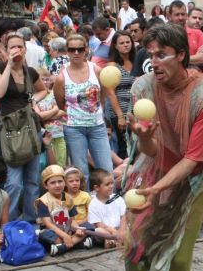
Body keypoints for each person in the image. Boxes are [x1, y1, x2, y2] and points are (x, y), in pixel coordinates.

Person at [103, 24, 203, 271]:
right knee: (134, 243)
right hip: (152, 170)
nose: (153, 62)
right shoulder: (143, 87)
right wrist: (144, 138)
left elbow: (194, 158)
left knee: (181, 255)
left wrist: (160, 189)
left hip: (195, 179)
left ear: (181, 55)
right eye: (150, 55)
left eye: (162, 55)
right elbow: (151, 148)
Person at [0, 32, 43, 222]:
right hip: (12, 131)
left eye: (19, 46)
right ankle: (9, 221)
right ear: (5, 50)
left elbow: (43, 90)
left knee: (32, 180)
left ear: (25, 48)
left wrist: (33, 101)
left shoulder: (31, 72)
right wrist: (10, 66)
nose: (16, 50)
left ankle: (30, 219)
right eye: (12, 46)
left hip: (31, 128)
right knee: (14, 183)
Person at [53, 34, 114, 185]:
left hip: (98, 126)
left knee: (106, 169)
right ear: (67, 51)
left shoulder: (97, 70)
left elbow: (102, 96)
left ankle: (108, 203)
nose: (76, 53)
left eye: (80, 49)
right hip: (74, 128)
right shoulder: (62, 77)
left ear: (86, 50)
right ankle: (84, 206)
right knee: (81, 173)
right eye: (72, 49)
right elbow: (61, 104)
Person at [35, 165, 88, 256]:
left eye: (60, 181)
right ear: (45, 185)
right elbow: (48, 224)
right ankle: (75, 243)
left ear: (64, 182)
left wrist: (77, 229)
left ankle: (62, 247)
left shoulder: (68, 198)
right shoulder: (43, 201)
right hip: (53, 232)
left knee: (86, 227)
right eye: (53, 183)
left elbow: (72, 220)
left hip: (68, 230)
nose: (57, 185)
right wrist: (64, 236)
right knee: (45, 234)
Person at [106, 30, 136, 159]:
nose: (125, 45)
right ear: (115, 46)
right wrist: (120, 116)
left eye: (128, 42)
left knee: (138, 147)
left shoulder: (137, 61)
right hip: (121, 112)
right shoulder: (112, 65)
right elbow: (110, 93)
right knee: (125, 149)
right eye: (122, 43)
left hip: (138, 111)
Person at [33, 67, 66, 168]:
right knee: (46, 167)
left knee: (61, 166)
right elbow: (38, 116)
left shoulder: (54, 93)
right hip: (43, 138)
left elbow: (63, 110)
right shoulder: (33, 97)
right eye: (42, 79)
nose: (45, 82)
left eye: (47, 79)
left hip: (59, 135)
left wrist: (47, 115)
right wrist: (55, 109)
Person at [87, 168, 126, 249]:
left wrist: (121, 229)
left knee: (129, 228)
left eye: (112, 183)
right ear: (97, 188)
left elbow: (124, 216)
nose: (111, 186)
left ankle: (113, 241)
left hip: (119, 228)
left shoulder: (118, 198)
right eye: (107, 184)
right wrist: (112, 231)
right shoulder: (93, 204)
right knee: (98, 231)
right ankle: (112, 240)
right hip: (105, 230)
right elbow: (98, 223)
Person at [168, 0, 203, 69]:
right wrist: (196, 57)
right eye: (177, 14)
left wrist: (178, 59)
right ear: (169, 16)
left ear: (186, 15)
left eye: (183, 14)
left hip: (197, 78)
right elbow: (167, 61)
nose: (180, 18)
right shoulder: (165, 36)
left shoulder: (197, 33)